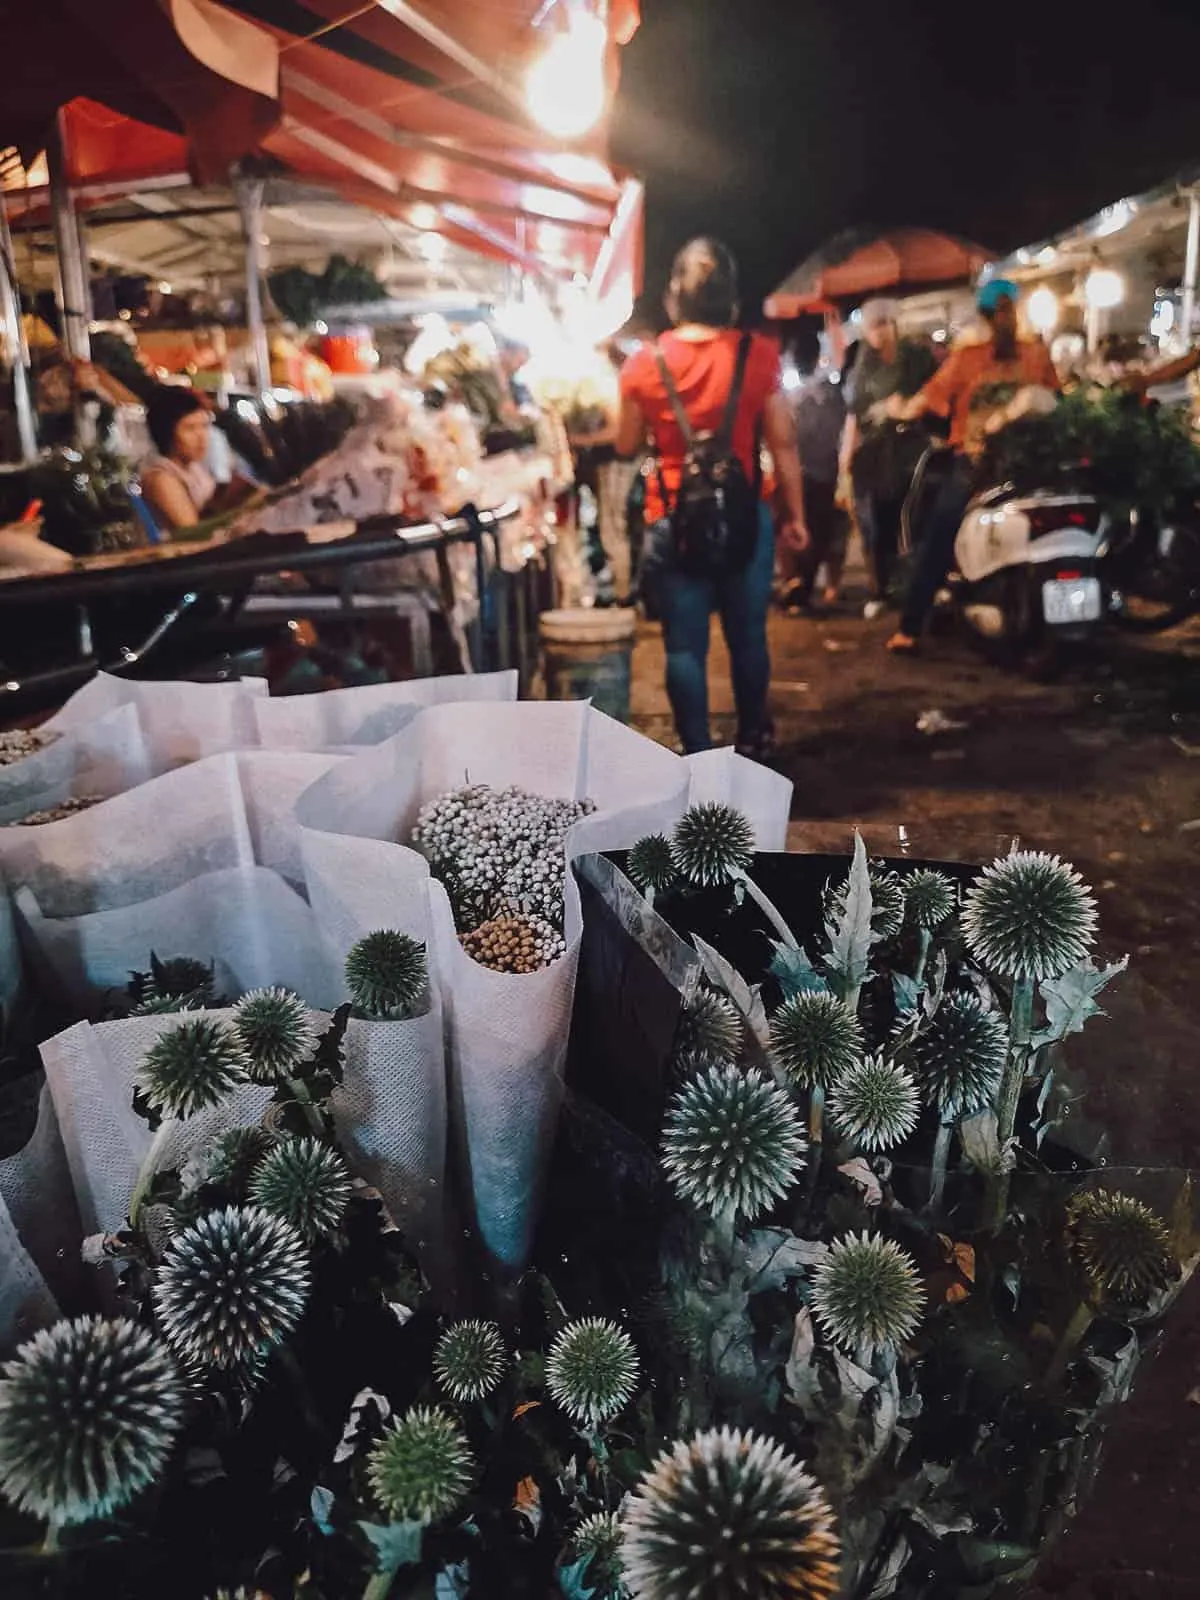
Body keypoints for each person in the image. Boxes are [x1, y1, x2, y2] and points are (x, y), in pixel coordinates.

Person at [616, 237, 809, 757]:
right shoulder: (758, 354)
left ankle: (698, 752)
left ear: (674, 295)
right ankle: (753, 739)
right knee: (747, 637)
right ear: (730, 296)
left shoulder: (643, 364)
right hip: (747, 516)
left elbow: (626, 443)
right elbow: (783, 444)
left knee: (683, 645)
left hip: (672, 517)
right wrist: (796, 517)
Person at [883, 279, 1059, 652]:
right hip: (1032, 465)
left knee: (938, 536)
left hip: (979, 464)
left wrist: (896, 409)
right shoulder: (1036, 354)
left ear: (981, 315)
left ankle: (910, 628)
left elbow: (925, 402)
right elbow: (1057, 398)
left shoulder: (968, 357)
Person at [839, 299, 937, 618]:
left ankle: (917, 587)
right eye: (872, 326)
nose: (878, 332)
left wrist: (908, 405)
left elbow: (935, 394)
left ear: (894, 324)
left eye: (883, 324)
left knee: (912, 518)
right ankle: (882, 589)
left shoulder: (916, 358)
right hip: (875, 457)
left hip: (912, 451)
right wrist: (844, 468)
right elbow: (853, 417)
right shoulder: (862, 366)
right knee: (876, 524)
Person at [779, 323, 848, 610]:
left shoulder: (789, 397)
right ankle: (804, 587)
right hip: (825, 473)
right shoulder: (831, 394)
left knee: (794, 529)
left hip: (797, 472)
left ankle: (797, 586)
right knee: (818, 532)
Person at [139, 387, 254, 533]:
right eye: (190, 428)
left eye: (204, 426)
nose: (201, 437)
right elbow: (192, 533)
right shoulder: (161, 478)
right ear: (167, 432)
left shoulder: (195, 469)